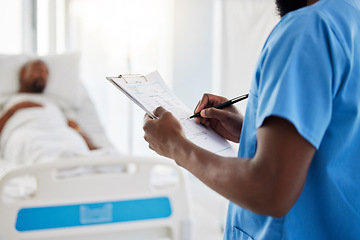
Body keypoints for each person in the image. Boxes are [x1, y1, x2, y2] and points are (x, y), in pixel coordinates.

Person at [143, 0, 360, 239]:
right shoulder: (351, 21)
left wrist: (176, 146)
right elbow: (341, 146)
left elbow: (269, 188)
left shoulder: (308, 29)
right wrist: (251, 132)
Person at [0, 60, 98, 164]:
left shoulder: (57, 102)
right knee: (35, 150)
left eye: (46, 73)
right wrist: (13, 110)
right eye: (38, 70)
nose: (43, 74)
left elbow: (74, 126)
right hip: (26, 132)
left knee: (75, 145)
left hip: (60, 132)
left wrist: (92, 147)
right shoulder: (8, 102)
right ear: (23, 73)